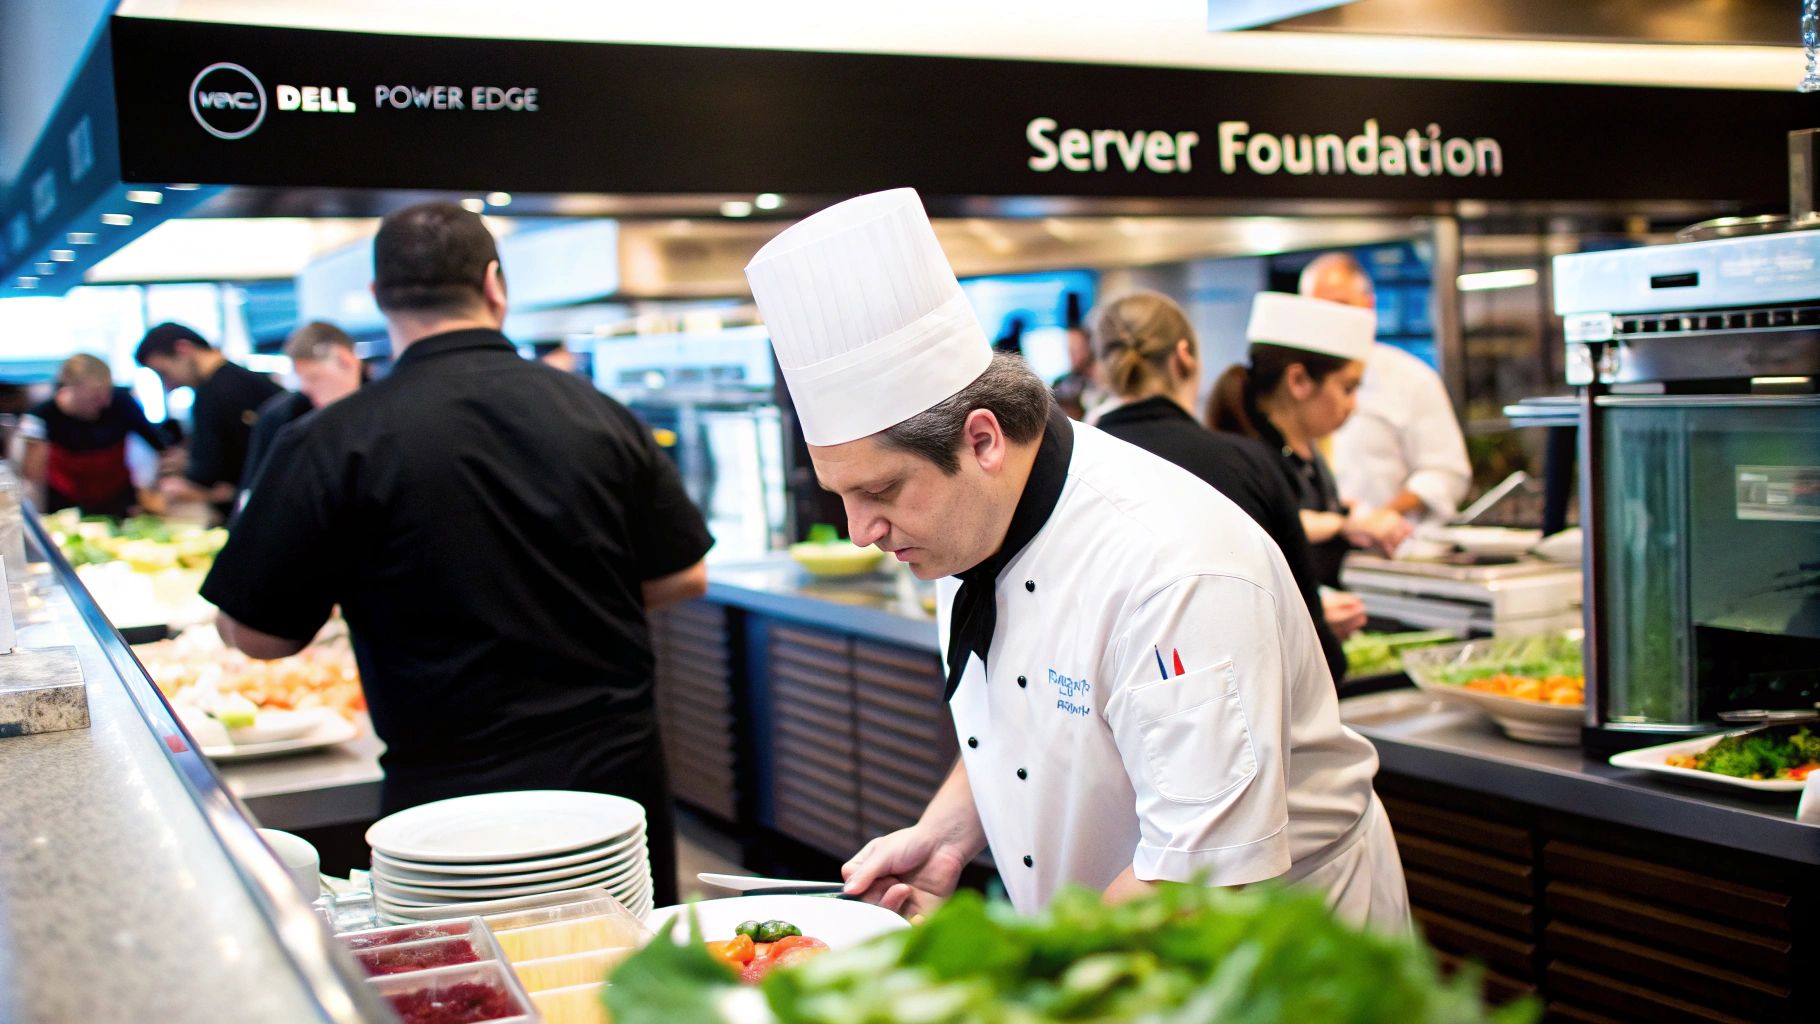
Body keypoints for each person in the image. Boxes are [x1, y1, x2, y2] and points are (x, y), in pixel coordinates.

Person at [745, 189, 1406, 932]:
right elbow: (1034, 718)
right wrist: (947, 834)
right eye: (842, 497)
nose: (860, 529)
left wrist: (1019, 976)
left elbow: (1203, 878)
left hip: (1285, 959)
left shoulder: (1174, 570)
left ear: (983, 441)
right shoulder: (964, 525)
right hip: (1113, 948)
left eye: (879, 490)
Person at [200, 202, 714, 907]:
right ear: (495, 285)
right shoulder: (595, 411)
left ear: (379, 300)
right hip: (612, 783)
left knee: (473, 995)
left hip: (446, 805)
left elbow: (259, 635)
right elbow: (685, 573)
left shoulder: (333, 438)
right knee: (629, 988)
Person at [1087, 291, 1352, 681]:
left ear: (1101, 368)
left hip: (1099, 701)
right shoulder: (1248, 465)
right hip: (1242, 695)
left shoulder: (1074, 466)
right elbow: (1308, 632)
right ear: (1184, 356)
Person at [1208, 293, 1411, 591]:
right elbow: (1262, 528)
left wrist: (1347, 517)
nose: (1352, 404)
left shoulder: (1308, 454)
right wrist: (1342, 524)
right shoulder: (1244, 459)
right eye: (1347, 388)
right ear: (1298, 381)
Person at [1299, 253, 1471, 525]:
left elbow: (1445, 473)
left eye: (1340, 305)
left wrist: (1382, 516)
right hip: (1317, 546)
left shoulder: (1412, 379)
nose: (1330, 319)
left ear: (1368, 304)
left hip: (1394, 550)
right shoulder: (1296, 383)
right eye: (1317, 309)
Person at [134, 322, 284, 520]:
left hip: (259, 514)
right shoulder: (256, 382)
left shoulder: (211, 394)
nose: (169, 386)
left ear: (183, 349)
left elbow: (208, 474)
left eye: (164, 373)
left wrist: (186, 471)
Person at [16, 353, 171, 518]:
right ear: (70, 387)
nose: (104, 401)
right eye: (95, 394)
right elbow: (32, 476)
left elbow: (161, 447)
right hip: (66, 507)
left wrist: (158, 489)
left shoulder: (122, 403)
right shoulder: (40, 417)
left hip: (119, 502)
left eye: (107, 391)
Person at [241, 321, 365, 499]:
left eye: (314, 378)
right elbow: (253, 490)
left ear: (345, 360)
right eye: (301, 380)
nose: (306, 389)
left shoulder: (387, 408)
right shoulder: (281, 417)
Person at [1049, 292, 1103, 421]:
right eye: (1069, 350)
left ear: (1088, 347)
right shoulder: (1061, 383)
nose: (1072, 355)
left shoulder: (1098, 380)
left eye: (1076, 350)